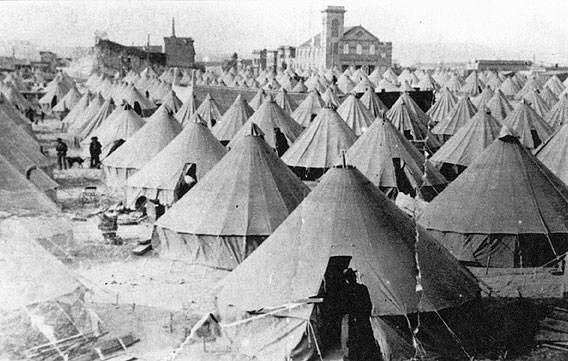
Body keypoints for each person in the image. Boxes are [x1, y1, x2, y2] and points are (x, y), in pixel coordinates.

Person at [341, 268, 380, 361]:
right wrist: (365, 315)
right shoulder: (363, 288)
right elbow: (369, 305)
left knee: (356, 345)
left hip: (354, 321)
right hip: (363, 320)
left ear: (347, 280)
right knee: (366, 342)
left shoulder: (345, 291)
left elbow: (345, 308)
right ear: (354, 277)